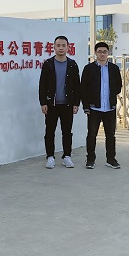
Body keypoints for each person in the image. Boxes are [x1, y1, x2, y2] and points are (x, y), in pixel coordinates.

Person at [38, 36, 81, 169]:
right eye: (58, 45)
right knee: (49, 131)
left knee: (67, 131)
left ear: (68, 47)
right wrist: (43, 102)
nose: (61, 48)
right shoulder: (48, 64)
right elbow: (42, 85)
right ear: (54, 47)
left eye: (63, 45)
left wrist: (76, 103)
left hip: (67, 104)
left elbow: (77, 86)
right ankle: (50, 157)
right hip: (51, 104)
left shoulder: (72, 64)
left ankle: (67, 156)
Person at [81, 41, 122, 169]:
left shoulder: (114, 68)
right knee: (92, 135)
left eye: (104, 52)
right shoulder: (89, 69)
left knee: (110, 135)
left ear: (108, 53)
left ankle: (111, 159)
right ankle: (90, 159)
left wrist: (111, 96)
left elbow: (118, 86)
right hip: (94, 107)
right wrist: (86, 106)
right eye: (99, 52)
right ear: (95, 53)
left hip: (109, 107)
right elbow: (84, 89)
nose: (102, 54)